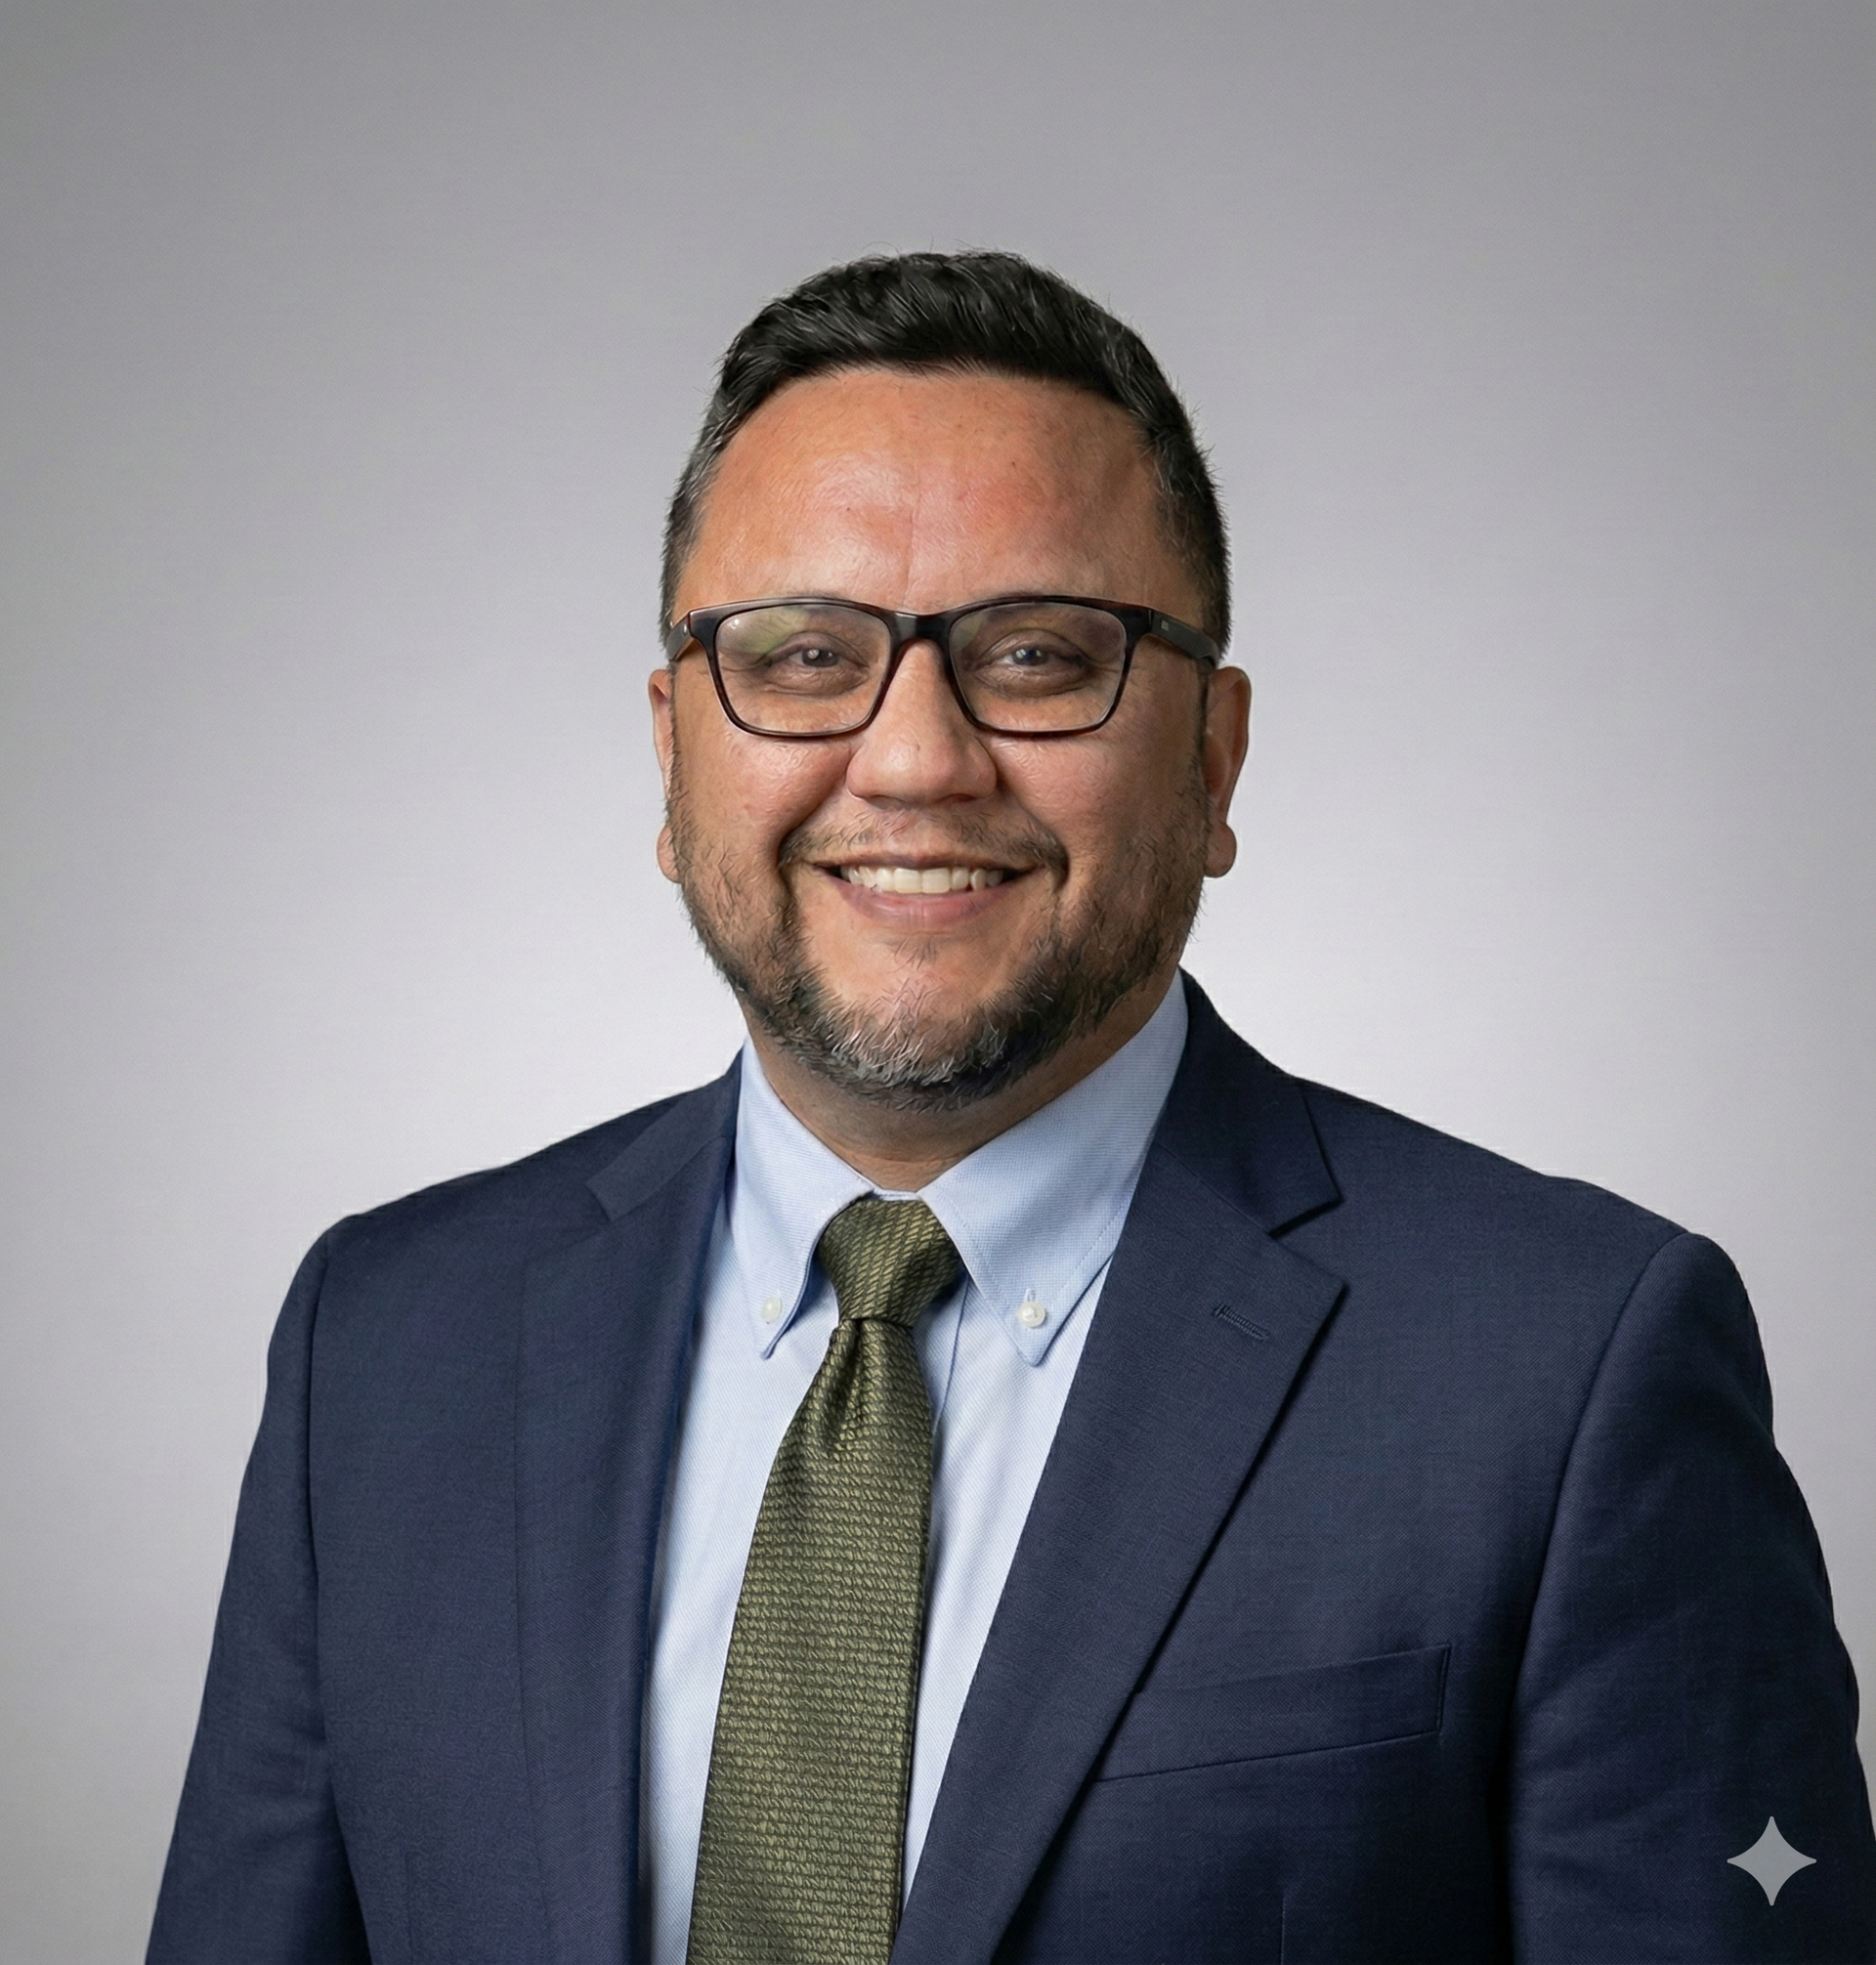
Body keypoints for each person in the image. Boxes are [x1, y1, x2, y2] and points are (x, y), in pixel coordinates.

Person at [148, 250, 1874, 1965]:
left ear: (1212, 759)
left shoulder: (1567, 1371)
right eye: (806, 654)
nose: (913, 759)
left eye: (1039, 654)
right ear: (672, 756)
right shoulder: (383, 1353)